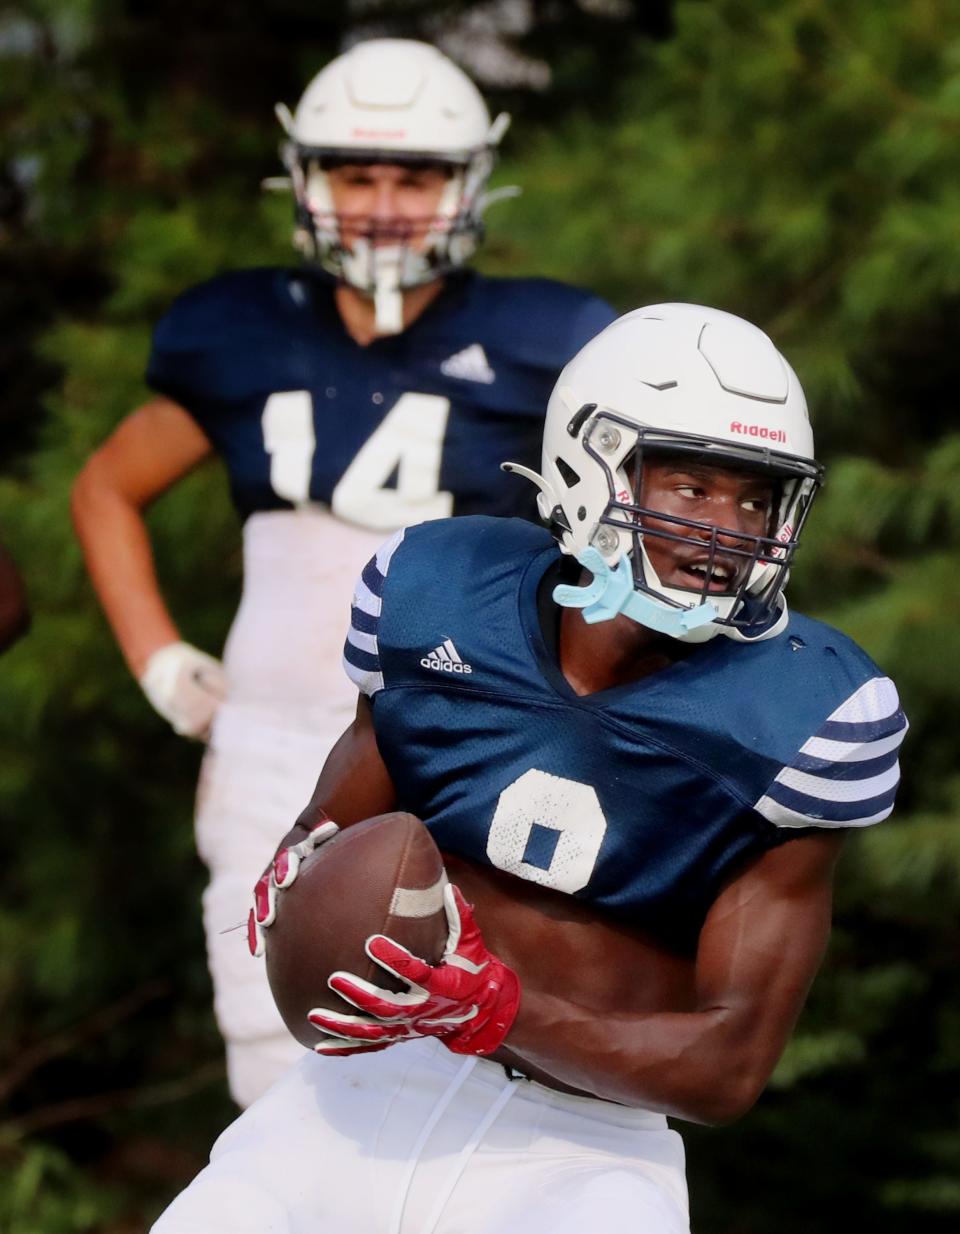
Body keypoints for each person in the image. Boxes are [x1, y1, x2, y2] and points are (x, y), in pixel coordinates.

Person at [150, 304, 908, 1234]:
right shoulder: (438, 591)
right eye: (691, 488)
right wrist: (299, 871)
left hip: (581, 1150)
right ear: (588, 467)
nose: (727, 532)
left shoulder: (803, 713)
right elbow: (339, 836)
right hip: (360, 1094)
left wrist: (499, 1008)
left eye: (756, 498)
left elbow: (728, 1066)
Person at [70, 38, 616, 1106]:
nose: (383, 204)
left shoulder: (549, 340)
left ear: (467, 184)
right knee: (275, 1043)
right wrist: (159, 659)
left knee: (477, 1042)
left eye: (414, 175)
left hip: (469, 736)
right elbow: (105, 488)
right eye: (356, 173)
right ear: (305, 179)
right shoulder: (239, 330)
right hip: (274, 739)